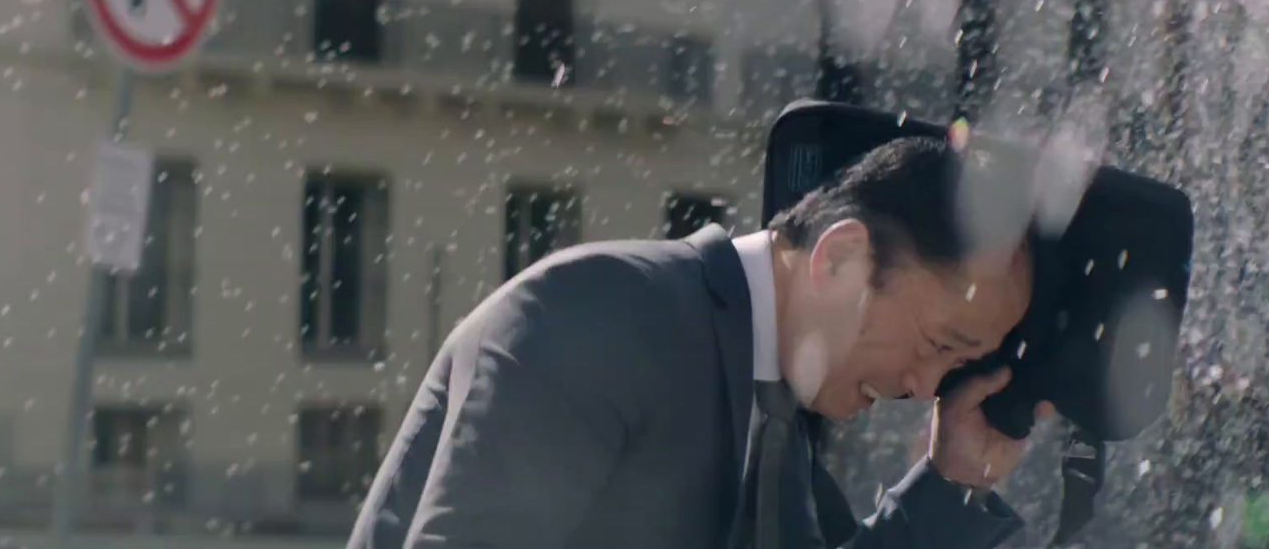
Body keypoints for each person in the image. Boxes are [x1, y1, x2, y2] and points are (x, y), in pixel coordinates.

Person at [346, 136, 1054, 549]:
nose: (928, 387)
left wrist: (953, 478)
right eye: (939, 342)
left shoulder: (772, 409)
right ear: (838, 259)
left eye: (958, 364)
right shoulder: (601, 315)